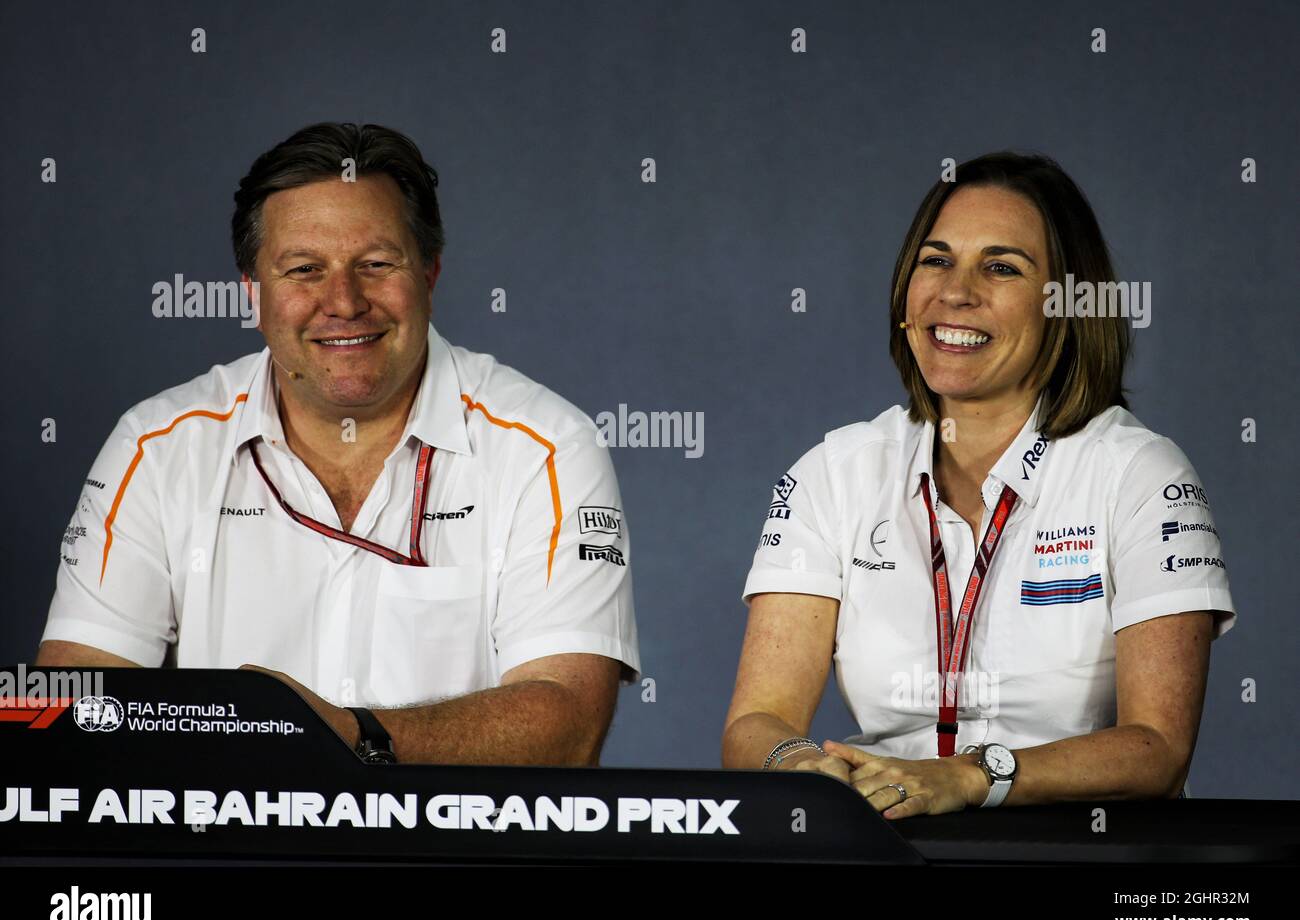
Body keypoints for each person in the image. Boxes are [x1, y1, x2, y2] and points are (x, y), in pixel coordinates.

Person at [38, 122, 639, 766]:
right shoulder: (154, 450)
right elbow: (73, 703)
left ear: (430, 274)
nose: (344, 302)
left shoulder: (548, 448)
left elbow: (567, 725)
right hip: (230, 861)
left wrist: (331, 734)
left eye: (377, 265)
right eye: (304, 270)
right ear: (253, 292)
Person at [723, 152, 1234, 819]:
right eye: (935, 260)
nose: (956, 292)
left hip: (1081, 863)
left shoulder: (1140, 474)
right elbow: (757, 720)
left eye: (1001, 267)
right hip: (887, 851)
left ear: (1068, 305)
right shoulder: (832, 472)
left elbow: (1159, 748)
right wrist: (805, 767)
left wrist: (971, 777)